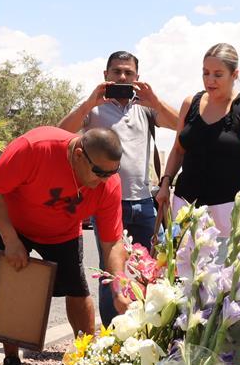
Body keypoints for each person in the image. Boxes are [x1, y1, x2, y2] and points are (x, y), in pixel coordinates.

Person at [0, 127, 131, 365]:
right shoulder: (34, 148)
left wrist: (119, 286)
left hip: (62, 231)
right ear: (78, 154)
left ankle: (87, 361)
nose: (105, 180)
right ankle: (11, 362)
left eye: (112, 173)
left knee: (78, 289)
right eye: (100, 172)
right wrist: (10, 240)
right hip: (13, 224)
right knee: (12, 288)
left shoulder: (108, 185)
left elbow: (112, 242)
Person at [58, 51, 178, 326]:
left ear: (137, 77)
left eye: (129, 73)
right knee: (112, 271)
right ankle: (114, 332)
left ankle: (146, 327)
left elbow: (181, 126)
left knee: (151, 268)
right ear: (106, 75)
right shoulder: (94, 110)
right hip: (108, 204)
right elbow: (60, 133)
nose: (122, 77)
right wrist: (89, 103)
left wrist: (155, 101)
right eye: (117, 72)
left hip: (145, 202)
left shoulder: (145, 108)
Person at [155, 43, 240, 230]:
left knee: (226, 260)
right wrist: (165, 183)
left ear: (234, 75)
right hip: (185, 205)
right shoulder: (190, 103)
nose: (210, 80)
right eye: (205, 73)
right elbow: (178, 150)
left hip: (228, 208)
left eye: (218, 74)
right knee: (181, 259)